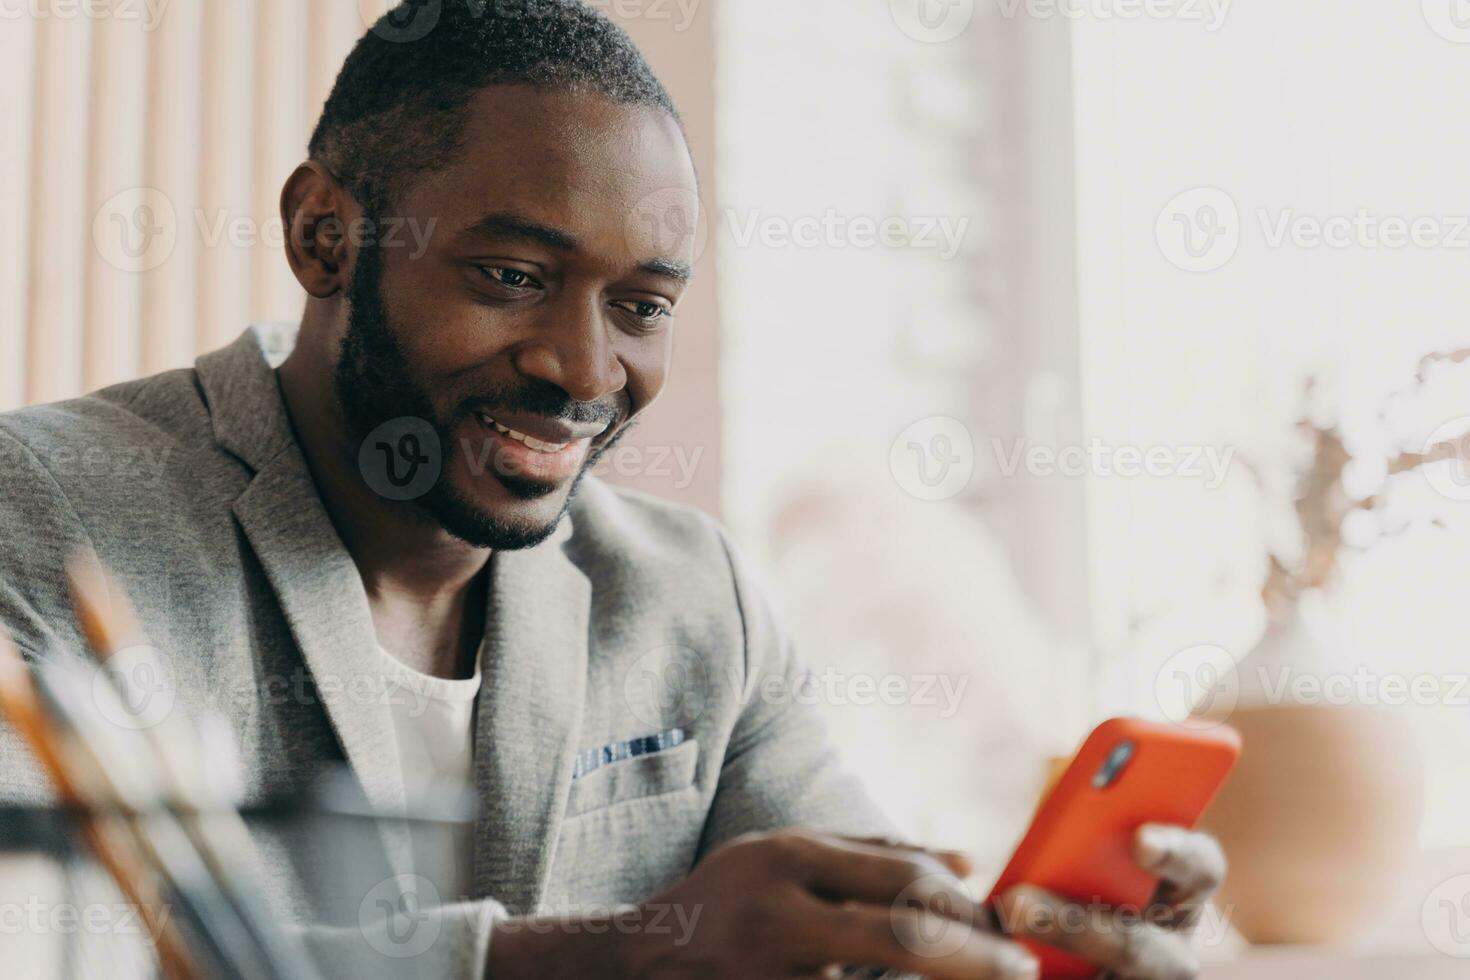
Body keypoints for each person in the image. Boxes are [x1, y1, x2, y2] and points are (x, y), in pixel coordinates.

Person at [0, 2, 1225, 976]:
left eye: (642, 306)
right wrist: (629, 951)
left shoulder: (697, 598)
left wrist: (1018, 952)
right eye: (512, 273)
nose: (584, 369)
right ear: (326, 234)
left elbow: (841, 940)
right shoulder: (44, 511)